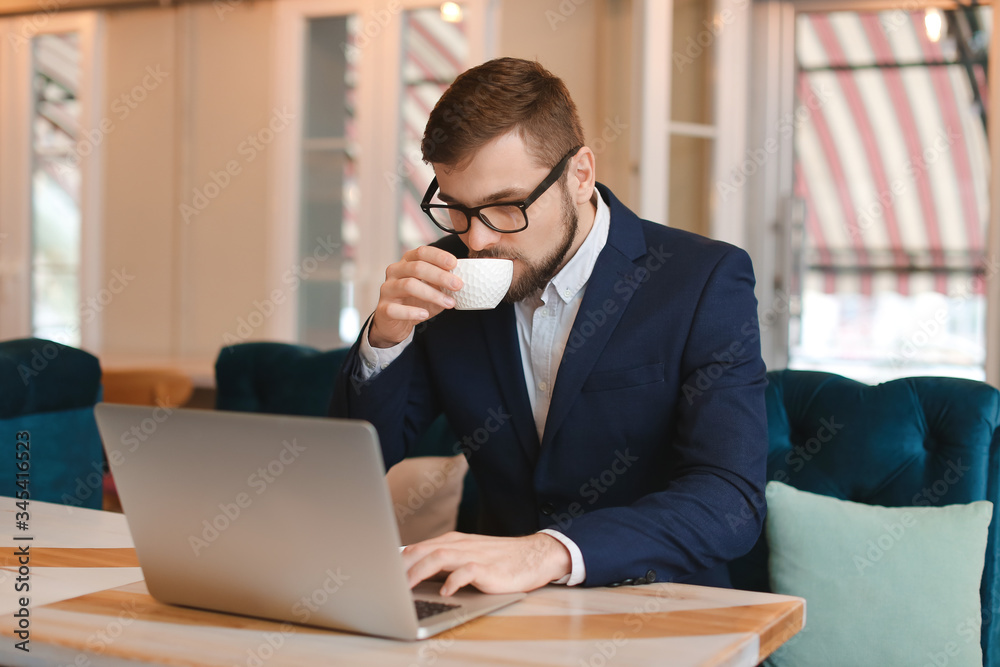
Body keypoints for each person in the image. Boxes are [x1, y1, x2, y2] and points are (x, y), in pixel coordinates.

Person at [331, 57, 767, 596]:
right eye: (458, 209)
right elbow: (358, 461)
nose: (477, 240)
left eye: (504, 207)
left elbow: (730, 500)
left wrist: (549, 552)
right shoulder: (448, 277)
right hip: (494, 613)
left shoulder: (701, 279)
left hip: (662, 607)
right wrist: (385, 340)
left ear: (579, 175)